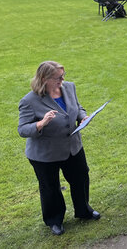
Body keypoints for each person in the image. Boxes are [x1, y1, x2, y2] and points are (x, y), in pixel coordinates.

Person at [18, 61, 100, 236]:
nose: (62, 79)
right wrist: (41, 123)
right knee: (50, 187)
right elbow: (23, 129)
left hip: (73, 147)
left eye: (63, 75)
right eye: (58, 77)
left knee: (80, 178)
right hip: (45, 154)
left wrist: (83, 116)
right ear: (44, 79)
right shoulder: (29, 101)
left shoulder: (69, 87)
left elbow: (77, 107)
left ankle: (84, 210)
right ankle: (54, 220)